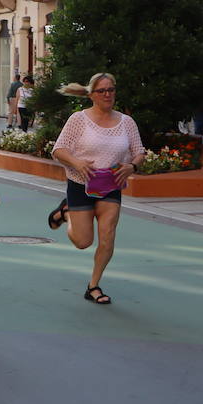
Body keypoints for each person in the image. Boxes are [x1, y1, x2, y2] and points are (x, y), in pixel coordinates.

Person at [47, 73, 145, 305]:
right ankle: (66, 212)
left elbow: (139, 151)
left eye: (111, 89)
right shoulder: (78, 119)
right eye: (102, 91)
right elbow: (59, 150)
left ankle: (94, 285)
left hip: (111, 186)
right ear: (91, 94)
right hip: (81, 185)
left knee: (108, 236)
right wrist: (77, 162)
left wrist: (131, 166)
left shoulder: (126, 122)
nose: (108, 94)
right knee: (83, 242)